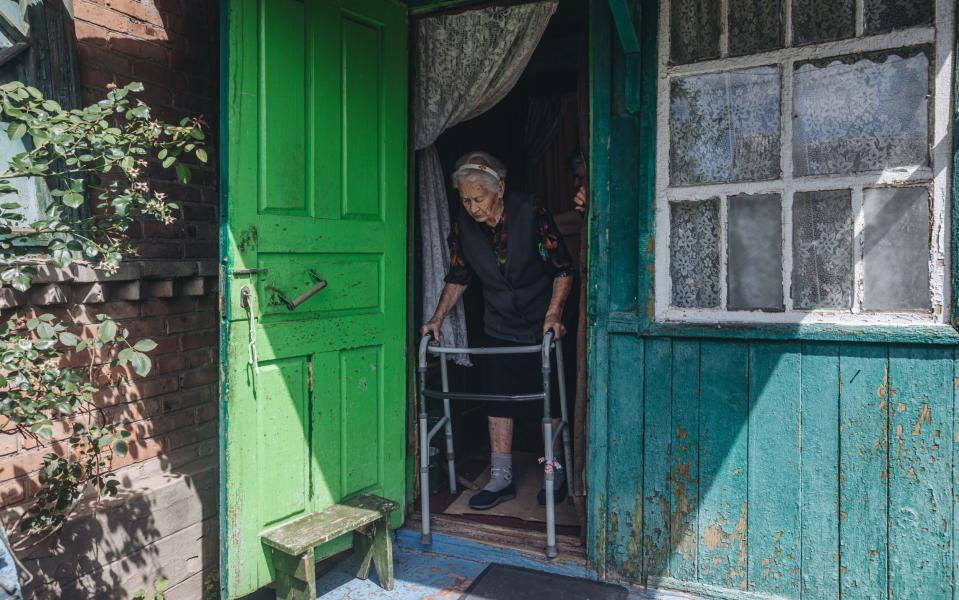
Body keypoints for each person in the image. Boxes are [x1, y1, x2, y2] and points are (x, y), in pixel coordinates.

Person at [421, 151, 575, 510]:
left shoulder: (531, 212)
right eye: (466, 200)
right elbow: (459, 274)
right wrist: (437, 317)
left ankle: (553, 470)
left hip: (542, 323)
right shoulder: (464, 223)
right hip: (499, 325)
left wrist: (554, 314)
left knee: (549, 401)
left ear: (500, 189)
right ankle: (501, 477)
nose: (473, 207)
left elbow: (563, 268)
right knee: (498, 400)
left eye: (479, 198)